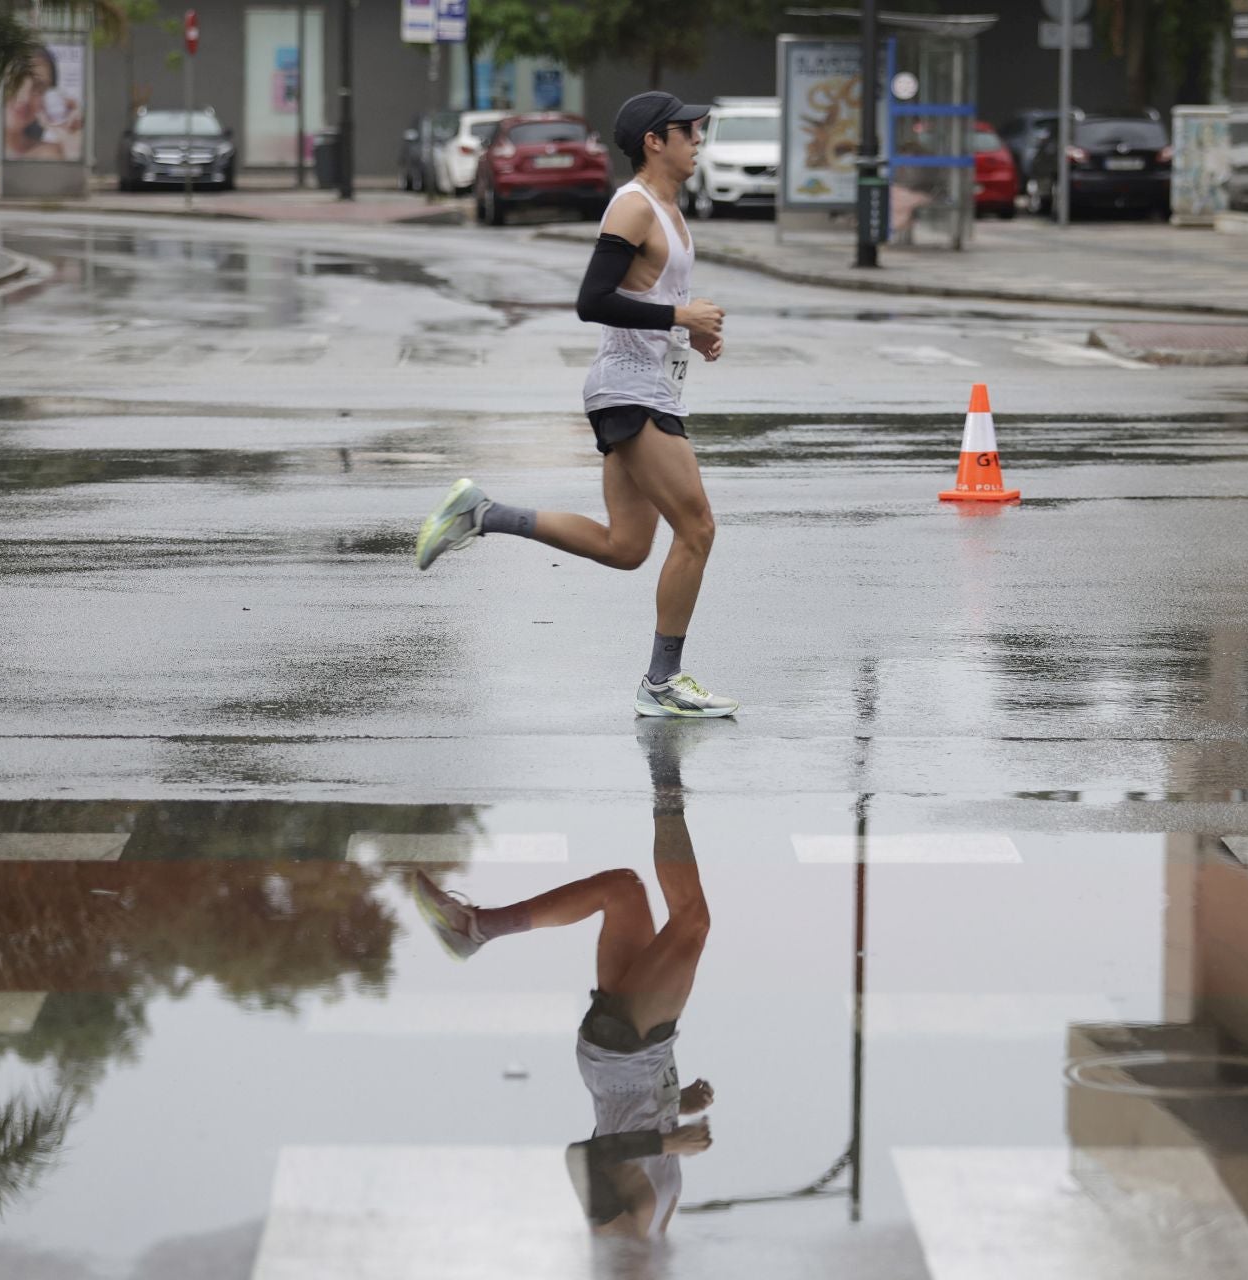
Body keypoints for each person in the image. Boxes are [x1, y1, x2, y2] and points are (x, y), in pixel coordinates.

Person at [413, 92, 737, 719]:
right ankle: (662, 682)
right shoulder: (635, 206)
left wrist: (688, 330)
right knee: (697, 528)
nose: (697, 138)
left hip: (648, 384)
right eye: (687, 130)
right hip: (629, 389)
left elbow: (643, 295)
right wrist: (679, 314)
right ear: (654, 140)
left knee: (626, 547)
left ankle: (483, 514)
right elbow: (592, 299)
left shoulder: (668, 207)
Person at [410, 721, 717, 1237]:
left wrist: (667, 1142)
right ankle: (477, 927)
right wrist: (674, 1107)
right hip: (633, 1060)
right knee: (621, 890)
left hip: (626, 1052)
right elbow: (626, 1132)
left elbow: (585, 1157)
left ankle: (668, 778)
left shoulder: (617, 1248)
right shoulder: (654, 1236)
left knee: (693, 922)